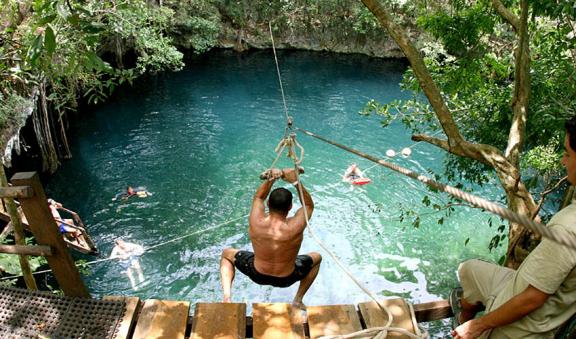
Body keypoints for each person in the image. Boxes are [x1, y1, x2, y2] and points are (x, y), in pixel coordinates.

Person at [451, 116, 576, 339]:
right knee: (468, 269)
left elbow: (532, 299)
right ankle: (464, 315)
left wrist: (479, 325)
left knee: (478, 329)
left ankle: (469, 325)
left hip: (519, 327)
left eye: (567, 153)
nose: (562, 161)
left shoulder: (568, 227)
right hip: (515, 284)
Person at [219, 168, 322, 308]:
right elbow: (308, 205)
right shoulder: (295, 226)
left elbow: (258, 197)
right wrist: (295, 181)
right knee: (317, 257)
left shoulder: (257, 221)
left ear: (268, 204)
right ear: (290, 207)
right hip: (288, 277)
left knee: (226, 254)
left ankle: (227, 298)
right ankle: (298, 300)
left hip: (256, 273)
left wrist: (272, 178)